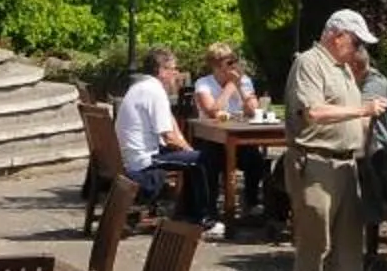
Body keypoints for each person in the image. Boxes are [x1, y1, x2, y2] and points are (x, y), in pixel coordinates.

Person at [286, 7, 387, 271]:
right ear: (337, 35)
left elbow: (348, 118)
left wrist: (382, 125)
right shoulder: (308, 63)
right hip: (316, 164)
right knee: (315, 243)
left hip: (347, 164)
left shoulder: (343, 68)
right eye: (355, 41)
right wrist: (363, 109)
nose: (359, 49)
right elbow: (314, 112)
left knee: (349, 243)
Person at [115, 47, 221, 239]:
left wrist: (188, 152)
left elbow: (169, 126)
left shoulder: (139, 87)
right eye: (173, 69)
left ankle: (187, 212)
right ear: (161, 70)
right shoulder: (155, 92)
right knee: (204, 159)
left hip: (129, 157)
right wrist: (191, 152)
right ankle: (204, 220)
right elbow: (169, 137)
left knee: (195, 158)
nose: (176, 73)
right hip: (143, 163)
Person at [189, 41, 274, 224]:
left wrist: (243, 90)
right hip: (212, 139)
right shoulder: (203, 84)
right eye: (228, 63)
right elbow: (212, 110)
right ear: (216, 65)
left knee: (256, 161)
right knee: (209, 162)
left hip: (237, 138)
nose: (233, 66)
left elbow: (253, 110)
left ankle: (251, 204)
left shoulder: (243, 81)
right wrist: (230, 86)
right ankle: (210, 212)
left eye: (234, 61)